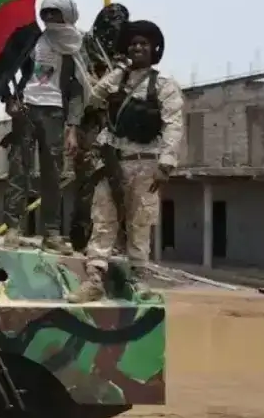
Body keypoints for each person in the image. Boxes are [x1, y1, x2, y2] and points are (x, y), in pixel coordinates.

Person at [69, 20, 184, 302]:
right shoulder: (116, 80)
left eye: (144, 44)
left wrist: (166, 163)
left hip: (146, 163)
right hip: (113, 162)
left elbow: (173, 124)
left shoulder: (164, 86)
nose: (138, 48)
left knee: (140, 222)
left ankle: (139, 278)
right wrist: (118, 71)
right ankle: (94, 279)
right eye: (133, 44)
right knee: (103, 219)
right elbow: (94, 99)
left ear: (153, 49)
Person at [2, 0, 89, 255]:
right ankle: (13, 227)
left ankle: (51, 233)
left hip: (55, 114)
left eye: (55, 13)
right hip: (26, 109)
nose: (49, 18)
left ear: (67, 15)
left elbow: (77, 90)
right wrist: (9, 99)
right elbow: (3, 69)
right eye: (46, 13)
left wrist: (73, 127)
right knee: (19, 168)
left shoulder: (76, 46)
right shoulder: (32, 40)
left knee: (53, 174)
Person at [71, 3, 131, 253]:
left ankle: (113, 242)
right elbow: (82, 86)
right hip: (89, 124)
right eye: (110, 28)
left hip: (116, 129)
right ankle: (82, 239)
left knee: (118, 185)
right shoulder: (83, 46)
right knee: (87, 183)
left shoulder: (124, 57)